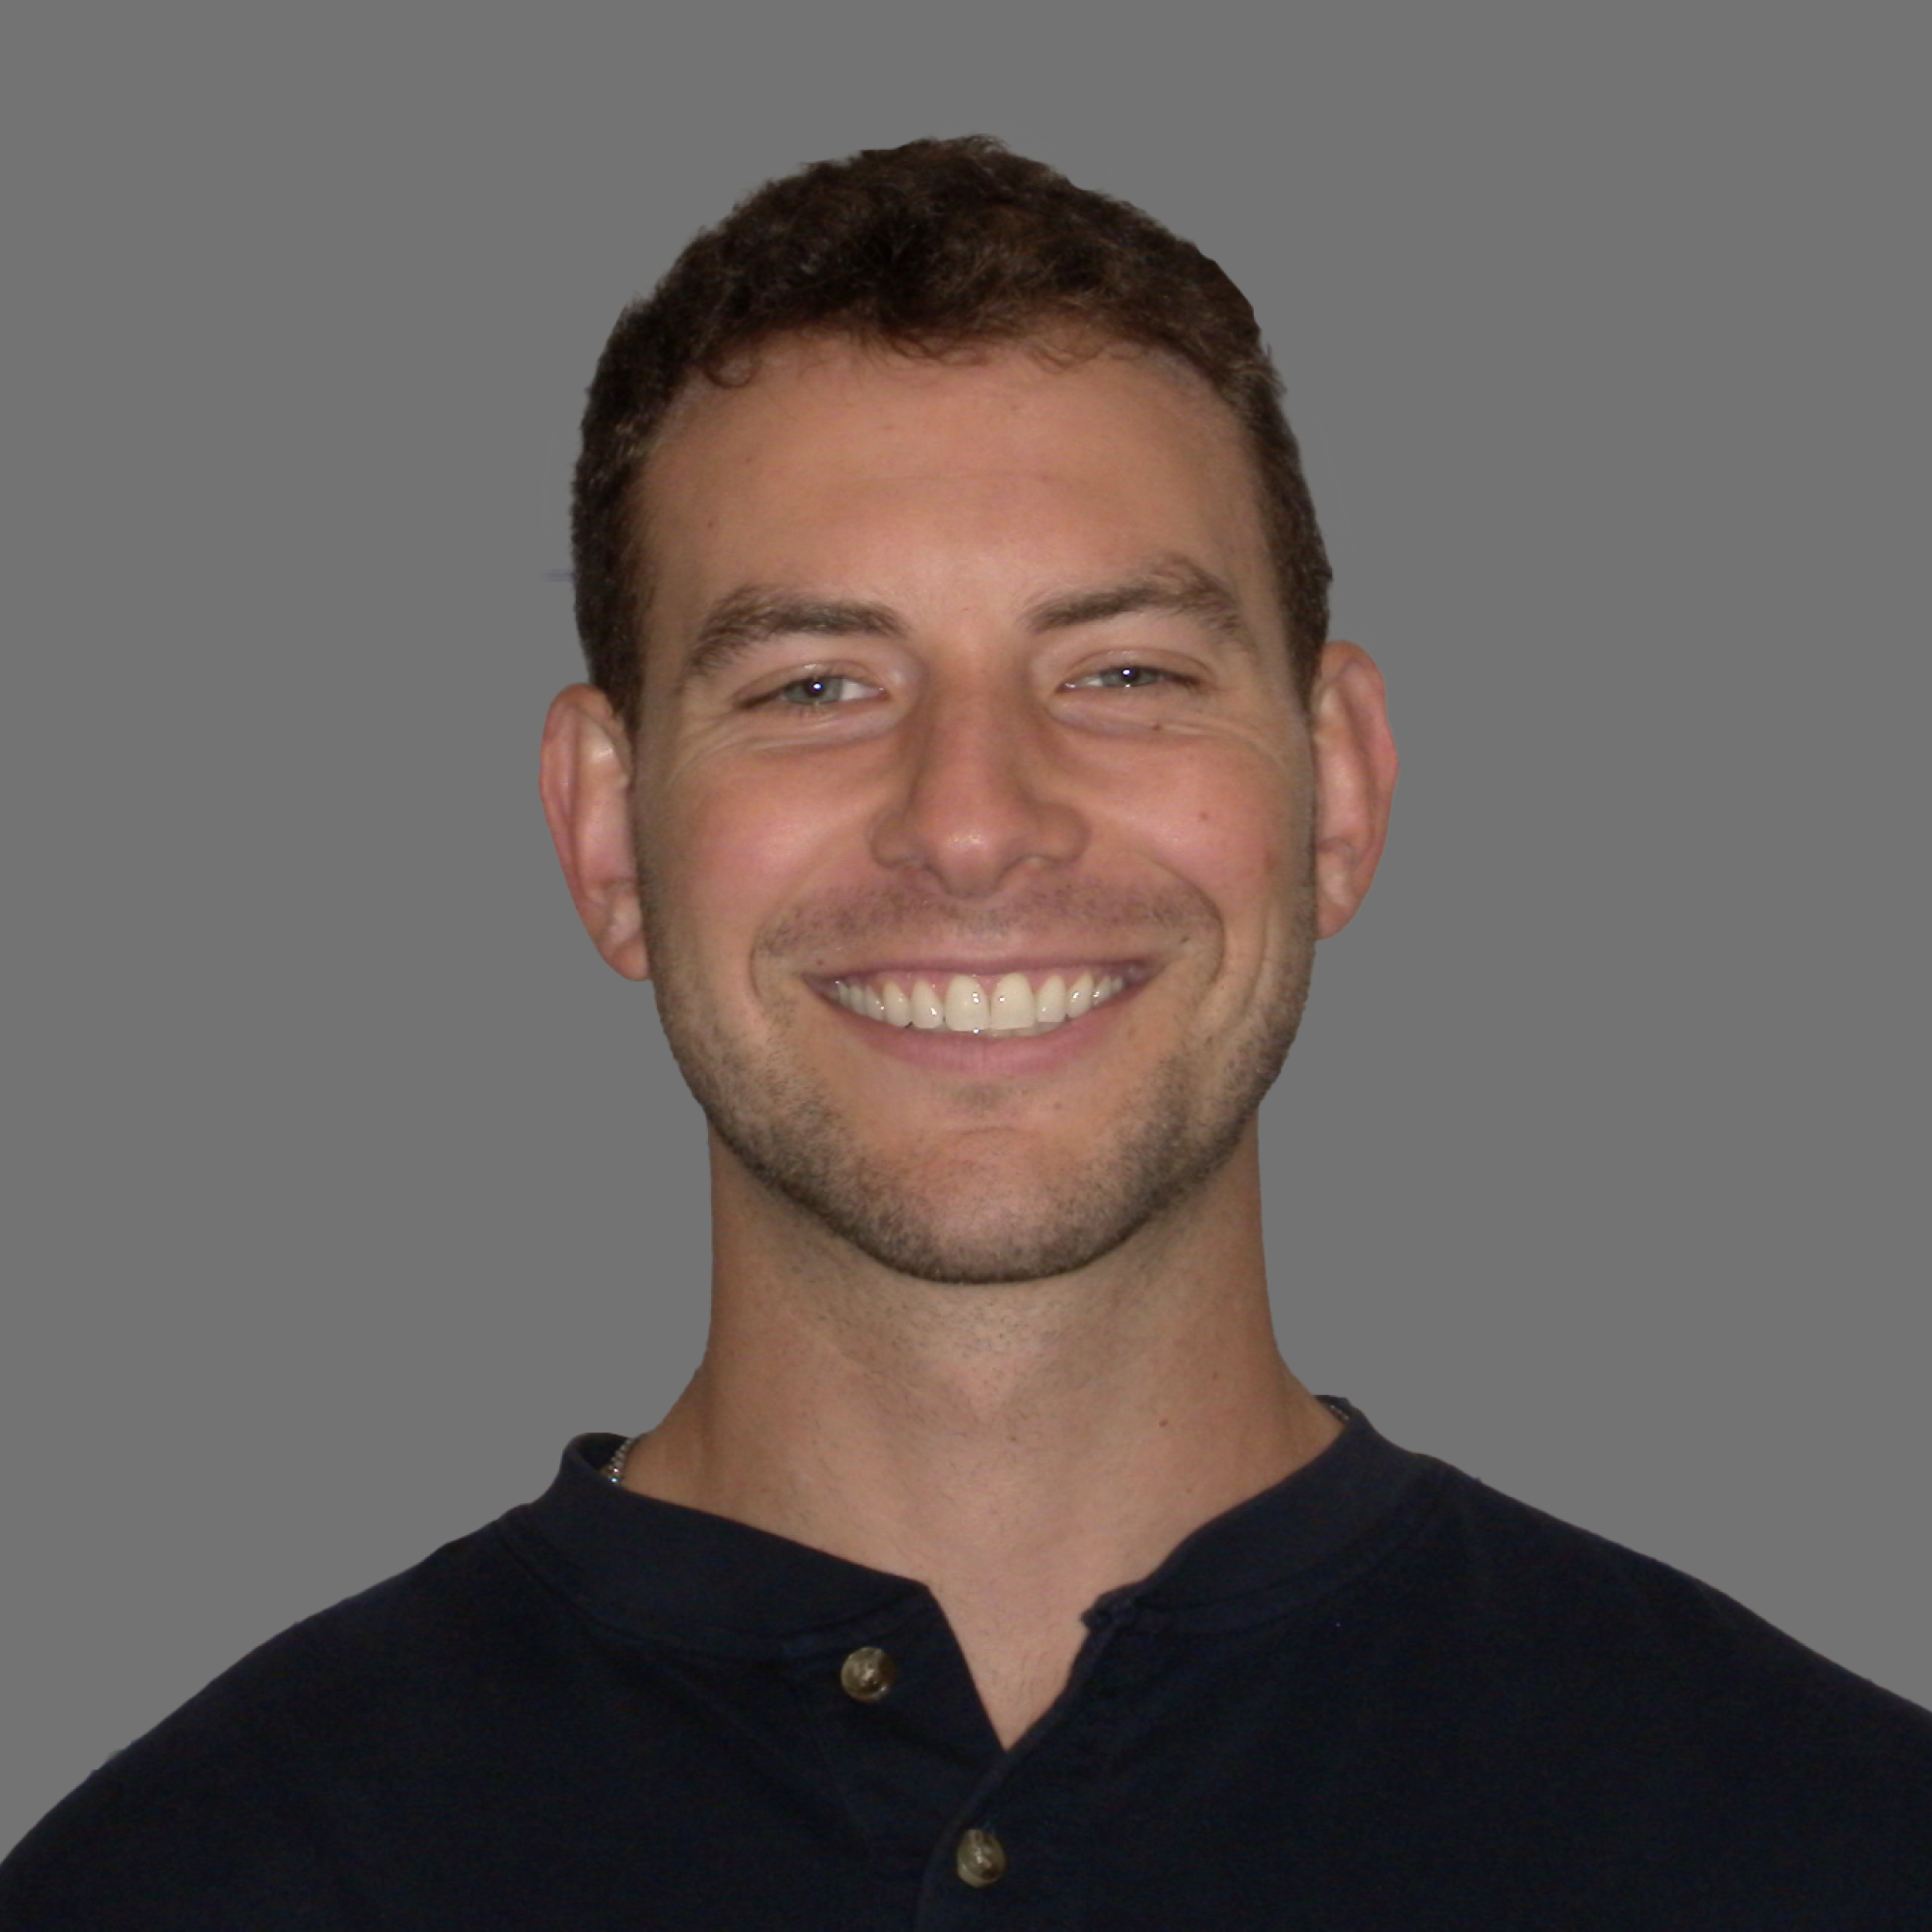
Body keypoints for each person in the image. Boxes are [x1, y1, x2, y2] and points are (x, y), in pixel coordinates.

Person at [4, 134, 1928, 1929]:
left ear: (1333, 791)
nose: (974, 817)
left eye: (1121, 669)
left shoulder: (1824, 1841)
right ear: (607, 832)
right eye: (819, 680)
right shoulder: (189, 1875)